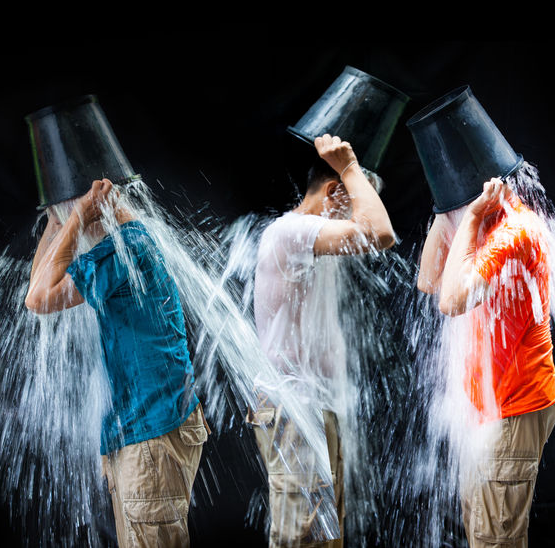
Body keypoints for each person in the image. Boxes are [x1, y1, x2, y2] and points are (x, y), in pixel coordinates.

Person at [25, 178, 208, 547]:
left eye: (72, 208)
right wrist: (58, 221)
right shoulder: (130, 240)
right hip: (146, 430)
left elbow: (39, 299)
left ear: (95, 201)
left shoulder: (124, 248)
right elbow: (38, 288)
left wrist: (73, 218)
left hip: (151, 438)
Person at [250, 134, 396, 548]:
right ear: (334, 191)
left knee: (325, 535)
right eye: (352, 198)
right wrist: (349, 165)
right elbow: (378, 234)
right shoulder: (292, 232)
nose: (355, 215)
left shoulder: (310, 240)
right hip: (295, 408)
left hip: (315, 407)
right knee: (303, 536)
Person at [418, 177, 555, 548]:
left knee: (495, 540)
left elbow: (450, 302)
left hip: (513, 410)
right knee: (480, 528)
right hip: (489, 409)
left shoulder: (515, 230)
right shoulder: (480, 223)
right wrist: (445, 205)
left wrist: (470, 213)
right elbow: (430, 280)